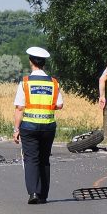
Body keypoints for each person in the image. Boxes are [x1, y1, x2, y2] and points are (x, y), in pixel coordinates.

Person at [13, 47, 64, 204]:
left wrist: (16, 129)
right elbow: (60, 104)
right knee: (44, 159)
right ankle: (43, 195)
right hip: (48, 126)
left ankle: (34, 193)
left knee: (31, 159)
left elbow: (20, 108)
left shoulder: (25, 83)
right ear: (44, 63)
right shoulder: (54, 83)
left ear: (31, 62)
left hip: (29, 126)